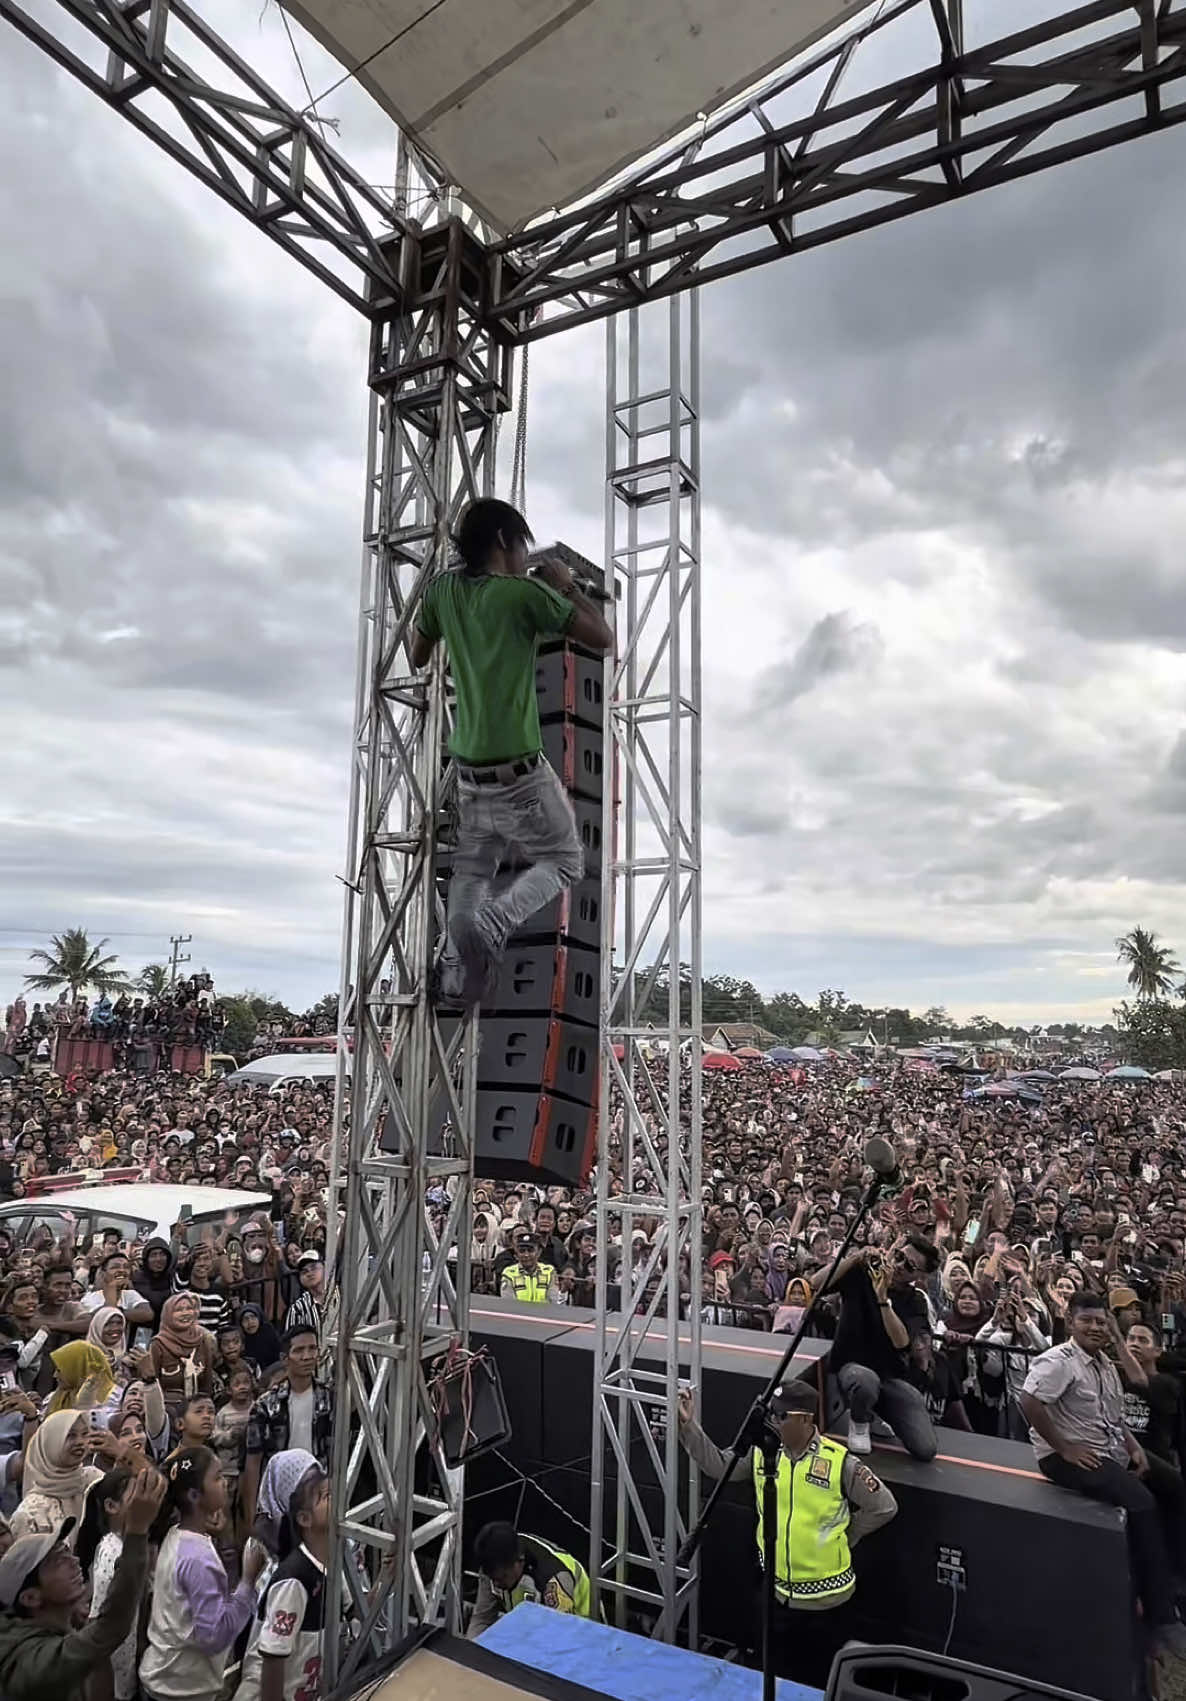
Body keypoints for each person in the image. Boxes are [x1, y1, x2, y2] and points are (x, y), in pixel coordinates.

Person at [411, 497, 613, 1006]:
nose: (526, 554)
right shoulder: (522, 594)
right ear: (504, 540)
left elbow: (418, 654)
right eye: (522, 543)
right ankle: (494, 924)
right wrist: (564, 585)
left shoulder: (442, 592)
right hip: (519, 773)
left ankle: (459, 961)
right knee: (566, 859)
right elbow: (601, 638)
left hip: (468, 775)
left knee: (473, 871)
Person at [675, 1380, 897, 1687]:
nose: (773, 1421)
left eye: (782, 1416)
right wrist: (688, 1427)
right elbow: (719, 1465)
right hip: (775, 1597)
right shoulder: (764, 1454)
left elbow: (884, 1506)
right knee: (772, 1681)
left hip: (827, 1607)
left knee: (819, 1686)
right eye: (772, 1414)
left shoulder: (838, 1462)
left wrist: (847, 1534)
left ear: (805, 1419)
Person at [1019, 1291, 1186, 1657]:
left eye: (1100, 1321)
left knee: (1173, 1487)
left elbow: (1113, 1416)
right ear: (1071, 1320)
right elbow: (1029, 1400)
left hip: (1109, 1449)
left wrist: (1132, 1446)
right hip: (1069, 1456)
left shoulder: (1105, 1365)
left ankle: (1174, 1582)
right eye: (1087, 1321)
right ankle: (1161, 1618)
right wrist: (1064, 1448)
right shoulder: (1059, 1360)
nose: (1095, 1327)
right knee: (1141, 1503)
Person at [0, 1466, 166, 1701]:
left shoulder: (63, 1624)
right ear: (31, 1598)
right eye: (58, 1560)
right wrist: (137, 1530)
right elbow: (111, 1628)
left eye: (68, 1552)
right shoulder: (33, 1661)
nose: (75, 1561)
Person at [140, 1446, 267, 1701]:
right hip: (181, 1690)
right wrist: (247, 1581)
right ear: (195, 1495)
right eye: (218, 1478)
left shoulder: (178, 1534)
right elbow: (214, 1636)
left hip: (165, 1675)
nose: (225, 1484)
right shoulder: (197, 1558)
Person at [828, 1244, 938, 1461]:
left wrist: (882, 1300)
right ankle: (859, 1422)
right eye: (898, 1256)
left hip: (890, 1377)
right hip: (851, 1368)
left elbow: (902, 1342)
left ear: (919, 1275)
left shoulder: (915, 1301)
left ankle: (877, 1412)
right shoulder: (861, 1275)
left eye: (908, 1266)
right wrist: (854, 1258)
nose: (898, 1266)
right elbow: (816, 1283)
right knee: (865, 1381)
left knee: (926, 1448)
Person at [232, 1466, 329, 1701]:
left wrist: (387, 1576)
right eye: (326, 1497)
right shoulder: (294, 1579)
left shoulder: (332, 1565)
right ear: (305, 1519)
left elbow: (358, 1608)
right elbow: (273, 1657)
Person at [241, 1330, 332, 1529]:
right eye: (299, 1350)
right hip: (280, 1502)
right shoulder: (265, 1405)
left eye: (312, 1349)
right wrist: (252, 1520)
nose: (307, 1356)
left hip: (320, 1499)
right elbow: (253, 1464)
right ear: (285, 1358)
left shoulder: (329, 1399)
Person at [468, 1521, 593, 1638]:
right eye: (492, 1578)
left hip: (582, 1630)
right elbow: (482, 1619)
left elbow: (559, 1639)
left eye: (502, 1578)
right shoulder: (493, 1564)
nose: (496, 1584)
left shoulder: (553, 1581)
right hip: (530, 1627)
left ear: (519, 1562)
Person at [9, 1411, 107, 1542]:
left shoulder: (94, 1479)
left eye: (85, 1434)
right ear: (50, 1442)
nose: (80, 1442)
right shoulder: (29, 1513)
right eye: (70, 1436)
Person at [499, 1233, 559, 1306]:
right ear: (516, 1255)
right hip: (518, 1315)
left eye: (530, 1250)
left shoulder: (549, 1271)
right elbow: (508, 1304)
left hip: (544, 1315)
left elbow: (553, 1303)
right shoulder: (509, 1273)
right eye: (522, 1251)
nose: (526, 1255)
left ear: (539, 1252)